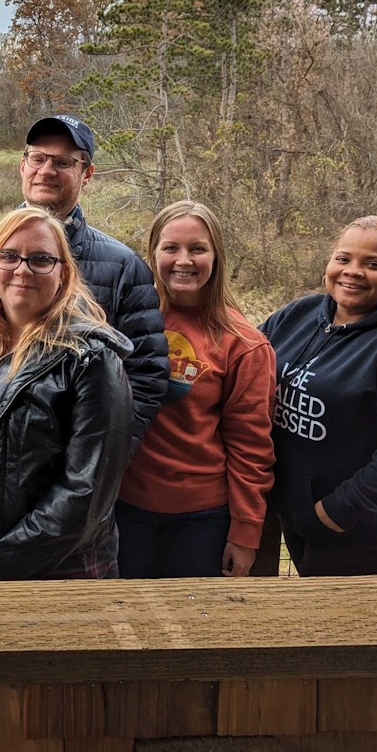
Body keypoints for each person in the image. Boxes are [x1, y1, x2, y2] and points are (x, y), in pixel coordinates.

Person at [0, 207, 135, 581]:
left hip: (56, 573)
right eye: (8, 256)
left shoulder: (91, 361)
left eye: (40, 259)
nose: (22, 270)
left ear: (63, 272)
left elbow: (83, 497)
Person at [0, 114, 167, 451]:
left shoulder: (123, 268)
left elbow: (145, 378)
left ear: (87, 174)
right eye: (37, 158)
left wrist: (99, 462)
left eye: (62, 162)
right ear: (22, 166)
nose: (46, 170)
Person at [261, 216, 377, 577]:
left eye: (373, 264)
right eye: (343, 258)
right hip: (307, 523)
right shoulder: (299, 316)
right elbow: (241, 362)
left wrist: (329, 516)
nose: (353, 271)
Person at [116, 201, 276, 578]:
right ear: (153, 253)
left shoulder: (245, 344)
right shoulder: (125, 320)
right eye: (171, 248)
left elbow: (251, 446)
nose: (183, 260)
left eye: (197, 249)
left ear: (216, 256)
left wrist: (246, 531)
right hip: (123, 508)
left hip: (201, 519)